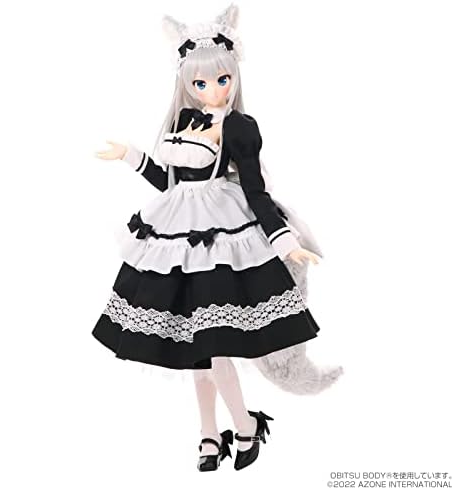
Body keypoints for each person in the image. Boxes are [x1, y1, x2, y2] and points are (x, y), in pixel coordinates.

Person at [92, 3, 343, 472]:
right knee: (197, 353)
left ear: (234, 76)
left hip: (221, 242)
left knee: (213, 351)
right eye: (201, 82)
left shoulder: (239, 127)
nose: (212, 89)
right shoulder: (181, 123)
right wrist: (130, 156)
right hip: (177, 239)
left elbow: (256, 192)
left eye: (222, 79)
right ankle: (210, 434)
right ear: (186, 81)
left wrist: (285, 242)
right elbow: (169, 183)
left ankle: (245, 426)